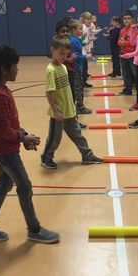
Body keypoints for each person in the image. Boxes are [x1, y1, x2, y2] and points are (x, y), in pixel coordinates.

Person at [0, 45, 59, 243]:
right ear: (4, 68)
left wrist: (22, 134)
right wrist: (23, 138)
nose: (18, 69)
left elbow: (8, 124)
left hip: (3, 147)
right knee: (24, 186)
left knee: (5, 183)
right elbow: (2, 130)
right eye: (15, 66)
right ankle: (34, 230)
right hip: (5, 151)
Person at [41, 35, 103, 169]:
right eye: (61, 53)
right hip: (58, 113)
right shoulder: (51, 70)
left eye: (66, 54)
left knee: (79, 136)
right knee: (54, 139)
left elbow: (67, 91)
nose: (64, 56)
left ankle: (87, 155)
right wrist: (56, 111)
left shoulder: (63, 67)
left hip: (69, 111)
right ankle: (46, 158)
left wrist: (73, 108)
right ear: (53, 50)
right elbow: (49, 93)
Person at [69, 19, 92, 115]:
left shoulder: (76, 39)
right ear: (74, 30)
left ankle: (80, 105)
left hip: (79, 67)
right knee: (78, 88)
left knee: (80, 86)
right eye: (80, 29)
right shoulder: (73, 41)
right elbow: (75, 55)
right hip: (76, 68)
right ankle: (80, 107)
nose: (82, 30)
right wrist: (85, 57)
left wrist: (84, 42)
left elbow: (79, 43)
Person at [118, 10, 138, 95]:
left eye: (128, 18)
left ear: (132, 19)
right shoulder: (122, 30)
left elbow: (135, 43)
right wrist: (120, 43)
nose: (126, 20)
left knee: (135, 73)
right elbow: (119, 42)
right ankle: (127, 89)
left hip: (132, 55)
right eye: (125, 18)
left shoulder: (135, 29)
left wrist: (125, 43)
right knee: (125, 73)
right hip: (123, 54)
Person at [80, 11, 93, 87]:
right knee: (83, 68)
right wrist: (87, 52)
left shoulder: (87, 28)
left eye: (90, 19)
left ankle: (84, 82)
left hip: (84, 52)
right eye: (88, 19)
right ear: (83, 20)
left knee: (85, 67)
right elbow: (82, 42)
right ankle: (82, 82)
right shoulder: (83, 28)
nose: (90, 21)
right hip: (82, 52)